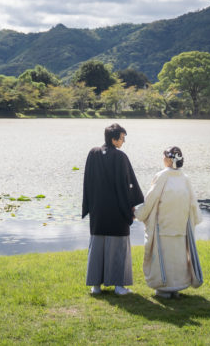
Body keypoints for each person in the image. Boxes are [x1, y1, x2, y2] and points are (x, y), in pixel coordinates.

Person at [81, 123, 144, 296]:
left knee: (97, 247)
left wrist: (89, 205)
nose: (123, 142)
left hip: (98, 210)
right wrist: (131, 206)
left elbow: (87, 181)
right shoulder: (120, 157)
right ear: (114, 139)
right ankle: (118, 286)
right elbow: (127, 185)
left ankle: (96, 286)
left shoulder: (93, 153)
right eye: (122, 138)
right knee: (118, 248)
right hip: (117, 210)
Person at [134, 146, 203, 299]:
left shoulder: (162, 176)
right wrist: (195, 218)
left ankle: (164, 288)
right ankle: (176, 286)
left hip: (163, 224)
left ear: (169, 159)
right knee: (177, 256)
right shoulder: (185, 178)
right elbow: (193, 202)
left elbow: (151, 199)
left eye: (164, 156)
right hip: (180, 224)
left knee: (164, 256)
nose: (163, 158)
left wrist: (138, 213)